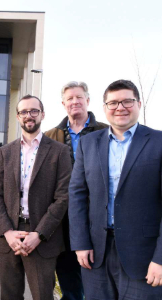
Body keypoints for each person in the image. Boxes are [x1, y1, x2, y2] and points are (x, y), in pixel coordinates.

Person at [69, 79, 162, 299]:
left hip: (144, 257)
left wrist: (160, 258)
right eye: (113, 103)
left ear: (138, 104)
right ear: (104, 108)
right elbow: (77, 195)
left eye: (127, 101)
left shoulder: (158, 141)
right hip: (95, 255)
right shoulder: (88, 143)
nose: (120, 108)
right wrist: (80, 243)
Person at [0, 94, 71, 300]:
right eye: (24, 112)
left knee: (43, 295)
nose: (29, 115)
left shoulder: (59, 152)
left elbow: (63, 197)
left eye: (34, 111)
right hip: (9, 237)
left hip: (42, 238)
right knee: (9, 296)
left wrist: (40, 234)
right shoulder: (4, 152)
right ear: (18, 117)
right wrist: (7, 231)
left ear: (42, 114)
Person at [44, 81, 107, 300]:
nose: (75, 102)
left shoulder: (106, 132)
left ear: (88, 101)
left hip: (98, 218)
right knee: (69, 279)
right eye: (70, 98)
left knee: (97, 279)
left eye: (79, 97)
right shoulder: (50, 135)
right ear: (63, 104)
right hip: (63, 221)